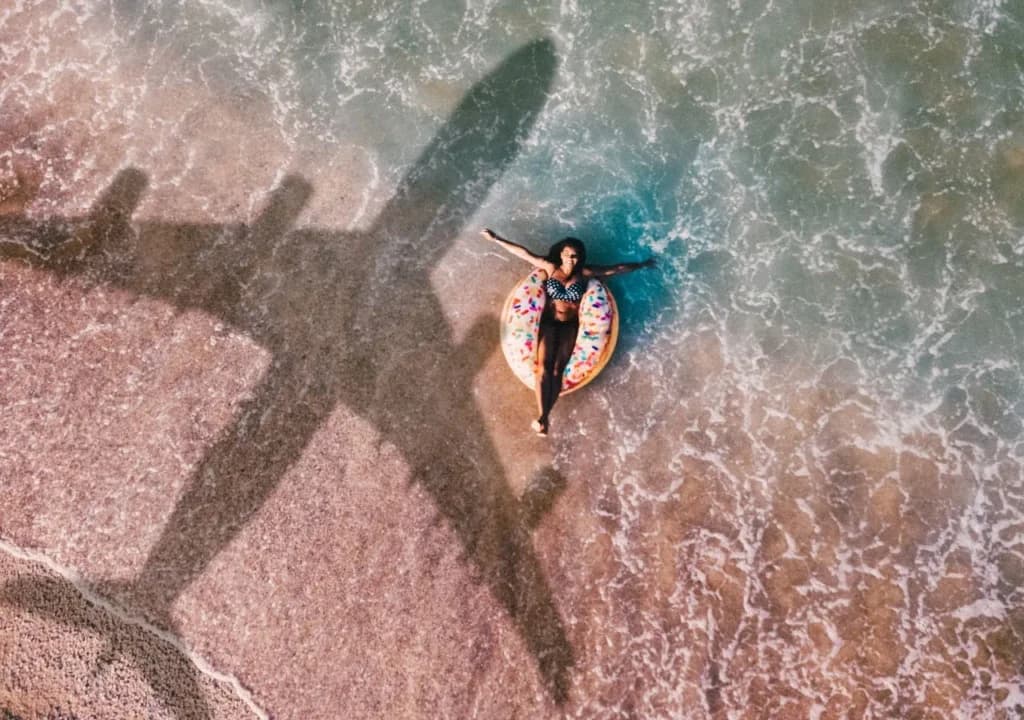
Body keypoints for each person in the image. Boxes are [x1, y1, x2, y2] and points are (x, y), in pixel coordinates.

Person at [482, 228, 656, 436]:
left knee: (557, 370)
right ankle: (543, 417)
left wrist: (642, 265)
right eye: (568, 255)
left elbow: (614, 269)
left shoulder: (585, 274)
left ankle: (544, 417)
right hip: (548, 324)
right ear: (561, 254)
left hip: (569, 327)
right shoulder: (550, 267)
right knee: (543, 368)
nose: (572, 259)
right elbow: (524, 253)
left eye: (575, 256)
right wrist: (496, 239)